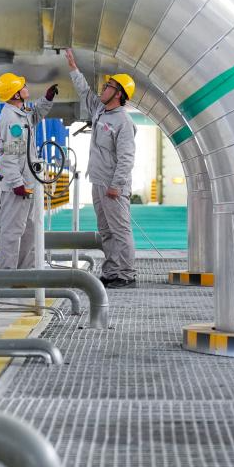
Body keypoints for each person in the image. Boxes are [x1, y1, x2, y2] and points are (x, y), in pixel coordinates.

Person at [64, 49, 137, 288]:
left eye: (108, 86)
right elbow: (84, 91)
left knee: (120, 229)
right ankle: (111, 271)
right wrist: (73, 67)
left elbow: (126, 157)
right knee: (105, 230)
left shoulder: (123, 121)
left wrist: (116, 185)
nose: (103, 89)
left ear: (118, 94)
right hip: (98, 180)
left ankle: (126, 274)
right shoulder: (100, 110)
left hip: (113, 185)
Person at [0, 72, 59, 270]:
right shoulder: (11, 120)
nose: (26, 87)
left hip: (27, 182)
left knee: (30, 229)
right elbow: (9, 156)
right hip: (18, 186)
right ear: (15, 95)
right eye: (23, 86)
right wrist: (17, 184)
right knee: (12, 232)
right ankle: (7, 274)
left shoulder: (21, 113)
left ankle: (24, 272)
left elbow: (35, 116)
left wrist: (47, 99)